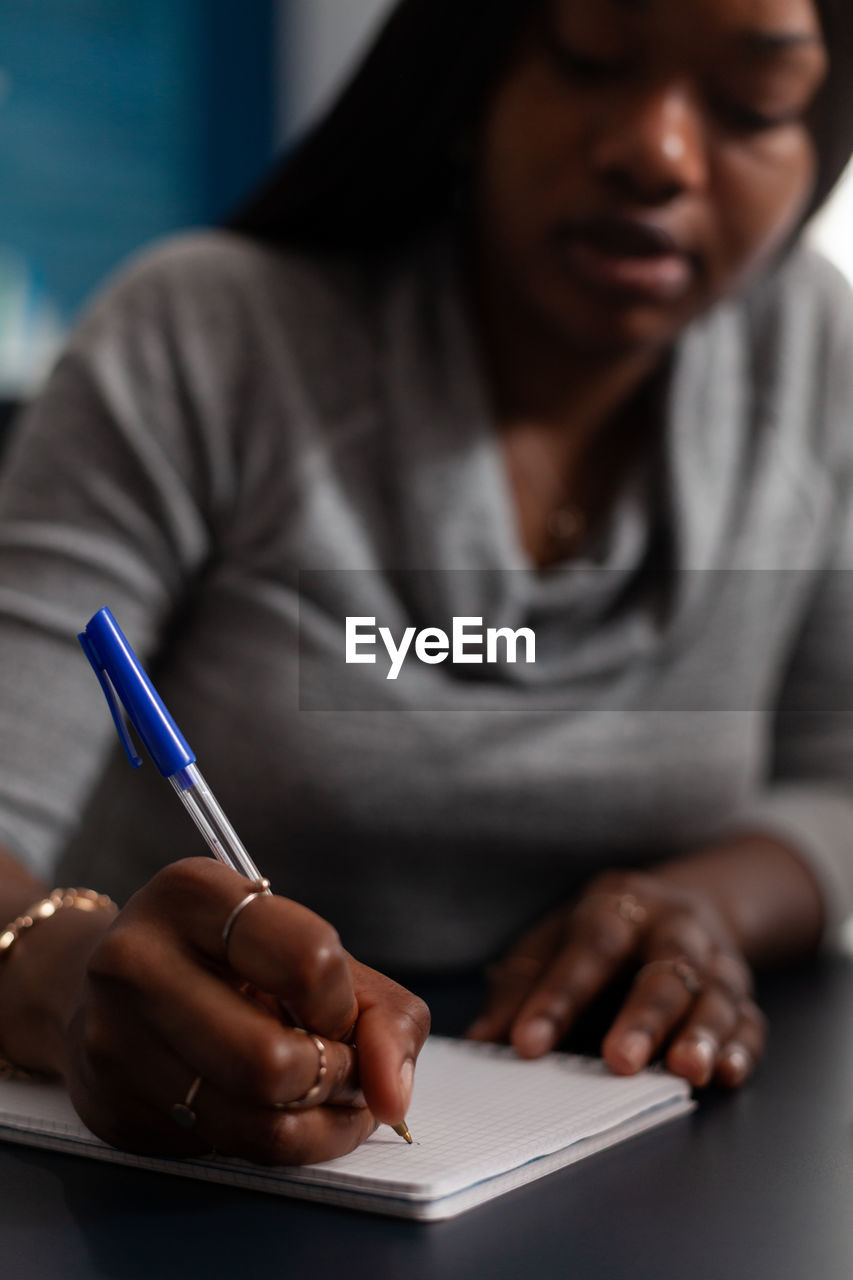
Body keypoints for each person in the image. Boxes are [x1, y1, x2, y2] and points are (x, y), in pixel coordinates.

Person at [1, 0, 853, 1166]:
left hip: (639, 1149)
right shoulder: (207, 343)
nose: (656, 150)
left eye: (753, 102)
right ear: (463, 79)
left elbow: (836, 770)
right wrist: (63, 975)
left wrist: (704, 903)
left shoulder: (813, 359)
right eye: (590, 58)